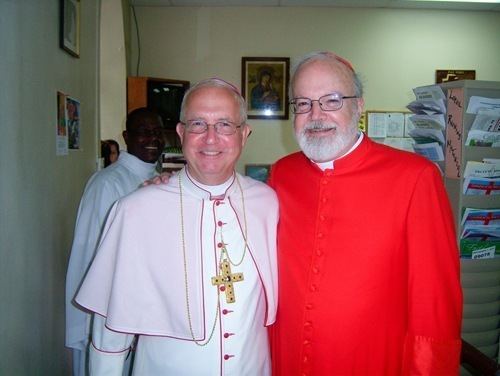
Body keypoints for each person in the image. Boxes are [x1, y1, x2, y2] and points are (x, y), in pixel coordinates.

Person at [268, 52, 462, 375]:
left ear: (359, 106)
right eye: (302, 103)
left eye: (331, 100)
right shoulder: (282, 174)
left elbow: (435, 308)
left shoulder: (415, 178)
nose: (315, 115)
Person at [74, 78, 279, 375]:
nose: (211, 138)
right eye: (198, 124)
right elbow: (109, 335)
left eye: (224, 125)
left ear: (244, 135)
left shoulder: (267, 203)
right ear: (181, 133)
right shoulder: (135, 211)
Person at [65, 107, 165, 376]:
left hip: (142, 309)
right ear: (126, 136)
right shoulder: (107, 183)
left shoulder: (159, 180)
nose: (153, 138)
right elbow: (91, 255)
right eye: (144, 132)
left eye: (157, 132)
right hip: (108, 311)